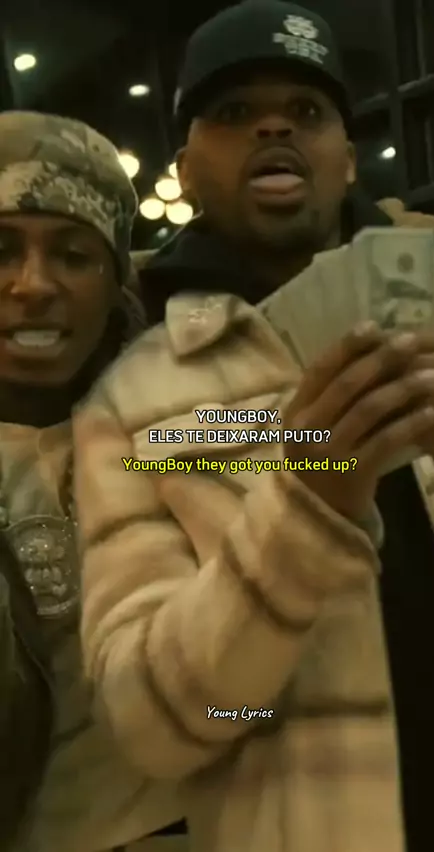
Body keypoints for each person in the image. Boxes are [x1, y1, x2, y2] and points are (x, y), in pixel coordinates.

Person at [74, 3, 434, 851]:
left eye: (306, 110)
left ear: (348, 156)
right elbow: (153, 729)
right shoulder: (132, 402)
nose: (273, 127)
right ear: (186, 170)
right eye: (233, 112)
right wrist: (306, 511)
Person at [0, 111, 184, 852]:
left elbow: (319, 458)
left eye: (74, 255)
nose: (33, 285)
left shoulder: (182, 421)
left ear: (115, 282)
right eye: (1, 250)